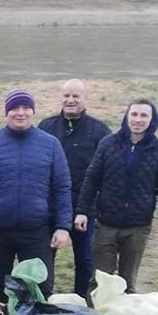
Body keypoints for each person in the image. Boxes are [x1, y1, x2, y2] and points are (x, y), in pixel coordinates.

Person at [0, 88, 72, 301]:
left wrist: (62, 226)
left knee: (40, 287)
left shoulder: (50, 145)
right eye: (15, 108)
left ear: (32, 111)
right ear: (7, 112)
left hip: (37, 230)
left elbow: (62, 188)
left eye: (26, 108)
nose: (20, 113)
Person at [75, 98, 158, 293]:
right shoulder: (107, 144)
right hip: (106, 224)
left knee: (127, 282)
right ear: (127, 117)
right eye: (134, 114)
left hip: (138, 226)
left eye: (144, 115)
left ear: (152, 120)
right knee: (100, 281)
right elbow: (92, 179)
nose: (138, 119)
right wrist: (82, 211)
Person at [39, 79, 111, 297]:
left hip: (84, 208)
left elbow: (107, 171)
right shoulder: (46, 127)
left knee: (85, 259)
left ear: (85, 99)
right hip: (50, 207)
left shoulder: (99, 131)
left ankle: (83, 300)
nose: (70, 100)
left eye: (76, 96)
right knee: (45, 258)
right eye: (66, 96)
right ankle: (44, 298)